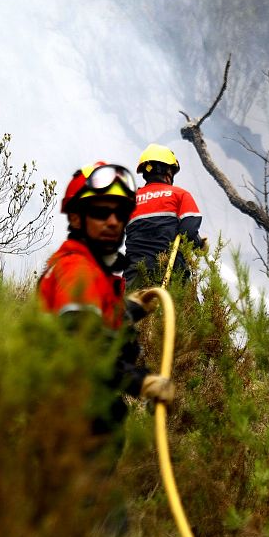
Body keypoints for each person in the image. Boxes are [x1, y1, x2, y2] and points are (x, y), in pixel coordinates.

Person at [38, 161, 174, 437]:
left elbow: (91, 323)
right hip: (68, 426)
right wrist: (140, 382)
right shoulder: (77, 271)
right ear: (76, 219)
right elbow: (85, 348)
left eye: (120, 213)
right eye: (101, 212)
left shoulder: (91, 272)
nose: (113, 222)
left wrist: (129, 309)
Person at [124, 144, 204, 289]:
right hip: (170, 272)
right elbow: (189, 232)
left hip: (135, 276)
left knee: (130, 310)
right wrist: (200, 244)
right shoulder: (180, 195)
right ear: (167, 170)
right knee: (187, 310)